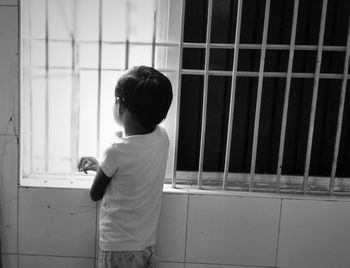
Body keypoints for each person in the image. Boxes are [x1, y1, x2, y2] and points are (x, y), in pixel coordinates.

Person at [78, 65, 173, 268]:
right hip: (147, 244)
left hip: (118, 246)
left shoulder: (115, 151)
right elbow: (134, 164)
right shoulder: (162, 137)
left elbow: (95, 194)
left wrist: (103, 165)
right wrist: (102, 166)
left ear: (121, 106)